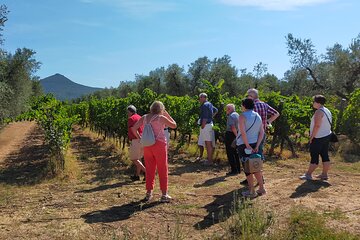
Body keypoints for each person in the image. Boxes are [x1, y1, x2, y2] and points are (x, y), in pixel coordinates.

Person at [132, 101, 177, 203]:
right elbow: (174, 125)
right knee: (162, 169)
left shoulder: (144, 117)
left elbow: (134, 129)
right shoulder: (161, 118)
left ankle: (148, 193)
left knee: (149, 169)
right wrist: (166, 113)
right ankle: (164, 195)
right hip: (159, 145)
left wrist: (140, 139)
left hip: (148, 146)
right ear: (161, 109)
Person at [240, 88, 280, 185]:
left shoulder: (251, 107)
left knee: (249, 156)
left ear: (251, 96)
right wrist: (267, 122)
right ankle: (259, 178)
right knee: (258, 154)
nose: (247, 97)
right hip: (262, 133)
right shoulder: (264, 104)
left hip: (252, 135)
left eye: (248, 96)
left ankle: (253, 178)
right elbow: (276, 113)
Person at [236, 99, 265, 198]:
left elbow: (243, 133)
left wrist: (247, 145)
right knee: (256, 167)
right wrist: (257, 145)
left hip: (244, 145)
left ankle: (251, 191)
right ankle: (261, 188)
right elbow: (261, 132)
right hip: (255, 144)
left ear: (244, 106)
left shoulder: (242, 116)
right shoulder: (258, 116)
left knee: (248, 170)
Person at [300, 95, 332, 180]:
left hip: (318, 137)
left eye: (313, 101)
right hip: (326, 135)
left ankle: (308, 174)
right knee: (325, 155)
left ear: (317, 102)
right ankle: (324, 174)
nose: (312, 103)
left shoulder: (318, 112)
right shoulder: (327, 110)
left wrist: (312, 137)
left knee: (314, 156)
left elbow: (317, 126)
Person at [198, 93, 218, 165]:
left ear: (203, 97)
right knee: (209, 143)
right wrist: (211, 117)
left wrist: (203, 125)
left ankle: (209, 161)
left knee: (208, 143)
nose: (199, 99)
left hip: (206, 125)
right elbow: (216, 110)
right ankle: (209, 160)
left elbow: (205, 117)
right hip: (210, 124)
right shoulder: (209, 104)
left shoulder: (205, 105)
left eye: (200, 98)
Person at [127, 105, 145, 181]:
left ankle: (147, 172)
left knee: (134, 159)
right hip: (143, 140)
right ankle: (137, 176)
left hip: (136, 140)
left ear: (130, 111)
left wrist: (138, 138)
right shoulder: (140, 117)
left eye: (127, 112)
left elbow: (134, 129)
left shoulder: (131, 119)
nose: (127, 113)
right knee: (139, 158)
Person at [225, 104, 240, 175]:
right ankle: (238, 169)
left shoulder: (231, 116)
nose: (226, 111)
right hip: (237, 133)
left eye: (227, 109)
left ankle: (234, 170)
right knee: (235, 152)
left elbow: (232, 127)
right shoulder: (237, 114)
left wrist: (236, 136)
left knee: (230, 152)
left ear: (229, 109)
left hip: (231, 134)